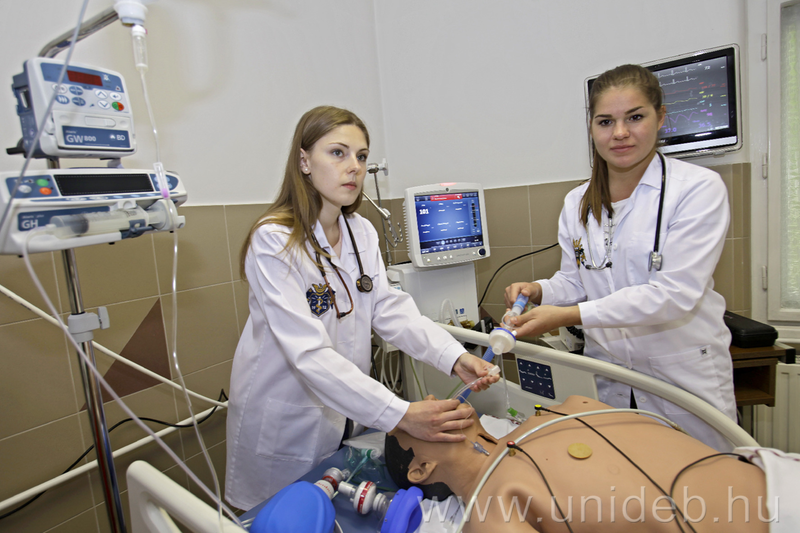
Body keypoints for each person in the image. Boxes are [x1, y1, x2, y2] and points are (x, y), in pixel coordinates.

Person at [225, 106, 499, 509]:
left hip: (342, 417)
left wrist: (454, 357)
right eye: (338, 152)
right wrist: (400, 414)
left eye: (361, 156)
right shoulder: (274, 240)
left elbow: (389, 310)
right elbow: (308, 353)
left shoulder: (360, 232)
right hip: (285, 424)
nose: (354, 166)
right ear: (304, 161)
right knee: (280, 517)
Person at [503, 64, 735, 450]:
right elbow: (576, 280)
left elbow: (674, 295)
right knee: (620, 477)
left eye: (635, 117)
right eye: (606, 121)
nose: (620, 133)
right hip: (609, 378)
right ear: (592, 128)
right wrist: (539, 290)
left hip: (682, 378)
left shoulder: (696, 189)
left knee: (701, 478)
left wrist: (567, 316)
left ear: (661, 117)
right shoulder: (577, 202)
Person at [387, 395, 799, 532]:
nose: (428, 403)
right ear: (420, 469)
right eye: (409, 419)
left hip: (778, 471)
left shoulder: (564, 407)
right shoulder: (493, 513)